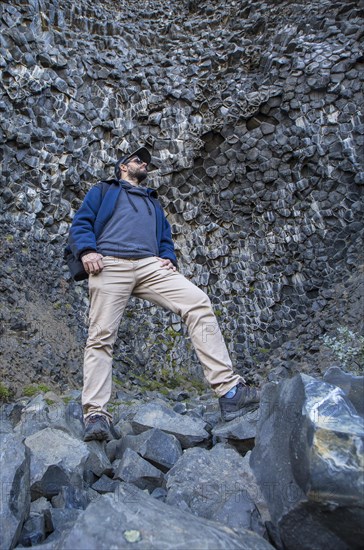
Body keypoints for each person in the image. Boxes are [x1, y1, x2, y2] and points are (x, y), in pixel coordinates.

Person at [68, 146, 260, 441]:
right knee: (101, 336)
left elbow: (164, 237)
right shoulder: (103, 191)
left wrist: (168, 256)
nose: (143, 164)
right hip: (110, 264)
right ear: (122, 166)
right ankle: (96, 414)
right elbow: (81, 222)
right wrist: (88, 250)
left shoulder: (152, 202)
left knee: (197, 302)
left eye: (145, 162)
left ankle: (230, 391)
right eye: (137, 160)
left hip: (149, 266)